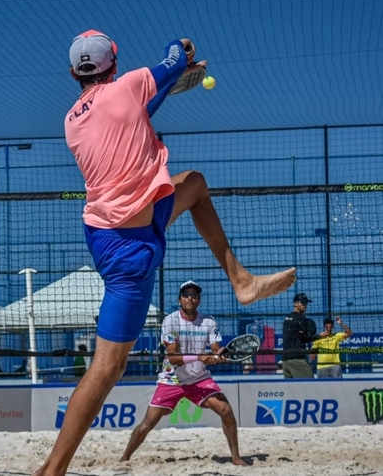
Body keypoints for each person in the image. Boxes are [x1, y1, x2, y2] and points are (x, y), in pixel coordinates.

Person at [32, 31, 296, 476]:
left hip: (114, 228)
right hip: (130, 252)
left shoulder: (72, 120)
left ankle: (242, 282)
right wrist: (182, 50)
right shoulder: (130, 85)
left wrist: (170, 80)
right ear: (114, 63)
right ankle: (52, 470)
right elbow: (176, 56)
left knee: (193, 184)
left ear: (73, 74)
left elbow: (133, 110)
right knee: (106, 369)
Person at [119, 281, 247, 466]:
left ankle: (235, 457)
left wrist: (218, 356)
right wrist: (200, 357)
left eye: (194, 296)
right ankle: (125, 457)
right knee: (148, 422)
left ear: (199, 301)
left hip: (199, 379)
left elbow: (215, 349)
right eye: (186, 295)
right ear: (179, 299)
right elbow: (173, 357)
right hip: (172, 379)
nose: (190, 298)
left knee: (226, 410)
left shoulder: (208, 321)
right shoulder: (170, 321)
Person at [282, 293, 323, 379]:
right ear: (295, 304)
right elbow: (304, 339)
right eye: (303, 303)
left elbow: (299, 337)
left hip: (285, 360)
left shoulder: (287, 318)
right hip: (298, 359)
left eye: (306, 303)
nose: (305, 305)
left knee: (292, 391)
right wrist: (318, 336)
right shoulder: (302, 318)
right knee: (310, 387)